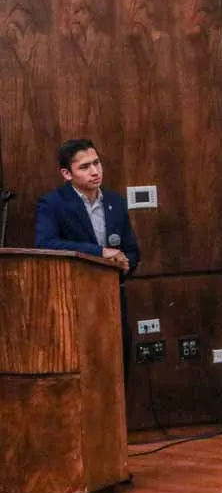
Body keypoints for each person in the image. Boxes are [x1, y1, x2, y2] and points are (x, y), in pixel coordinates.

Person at [35, 138, 141, 381]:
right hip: (74, 302)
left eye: (97, 162)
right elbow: (45, 244)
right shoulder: (53, 204)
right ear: (67, 174)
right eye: (84, 166)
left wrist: (126, 263)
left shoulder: (115, 202)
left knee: (118, 372)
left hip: (113, 298)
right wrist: (98, 252)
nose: (95, 171)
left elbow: (132, 250)